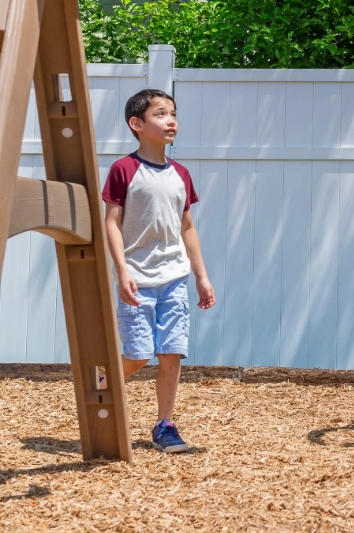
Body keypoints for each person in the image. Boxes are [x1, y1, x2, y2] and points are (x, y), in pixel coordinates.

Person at [103, 88, 215, 452]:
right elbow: (112, 223)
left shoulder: (180, 173)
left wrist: (201, 276)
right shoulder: (124, 169)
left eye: (173, 114)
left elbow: (187, 228)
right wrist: (122, 271)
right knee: (137, 354)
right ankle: (101, 392)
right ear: (136, 124)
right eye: (161, 114)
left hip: (174, 280)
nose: (171, 120)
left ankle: (164, 425)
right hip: (137, 279)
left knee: (170, 353)